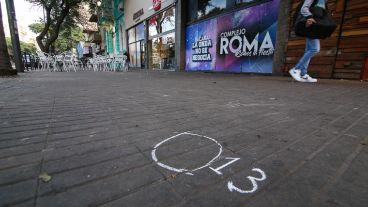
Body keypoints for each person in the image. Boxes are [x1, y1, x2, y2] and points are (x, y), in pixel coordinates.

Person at [289, 0, 327, 83]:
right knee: (315, 49)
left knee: (308, 50)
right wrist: (309, 17)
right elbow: (304, 8)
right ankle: (296, 69)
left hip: (314, 26)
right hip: (310, 25)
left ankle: (303, 74)